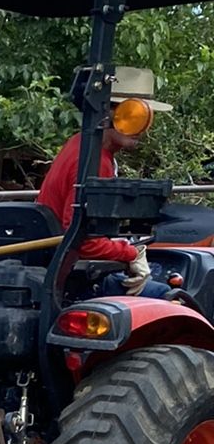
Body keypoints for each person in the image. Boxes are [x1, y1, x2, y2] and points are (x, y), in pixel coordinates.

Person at [37, 66, 170, 295]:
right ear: (107, 115)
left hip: (61, 265)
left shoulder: (83, 146)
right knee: (167, 295)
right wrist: (130, 253)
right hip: (72, 277)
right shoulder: (93, 160)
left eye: (144, 118)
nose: (141, 129)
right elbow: (81, 240)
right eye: (133, 117)